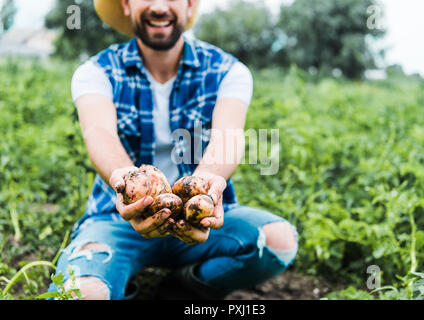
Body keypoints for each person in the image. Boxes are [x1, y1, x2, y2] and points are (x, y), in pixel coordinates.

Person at [48, 0, 298, 300]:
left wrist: (205, 188)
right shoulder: (96, 71)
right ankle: (117, 282)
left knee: (277, 242)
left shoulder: (227, 71)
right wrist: (126, 180)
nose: (159, 6)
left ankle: (187, 285)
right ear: (126, 4)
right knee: (81, 294)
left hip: (200, 224)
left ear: (190, 4)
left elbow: (228, 137)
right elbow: (99, 134)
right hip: (118, 221)